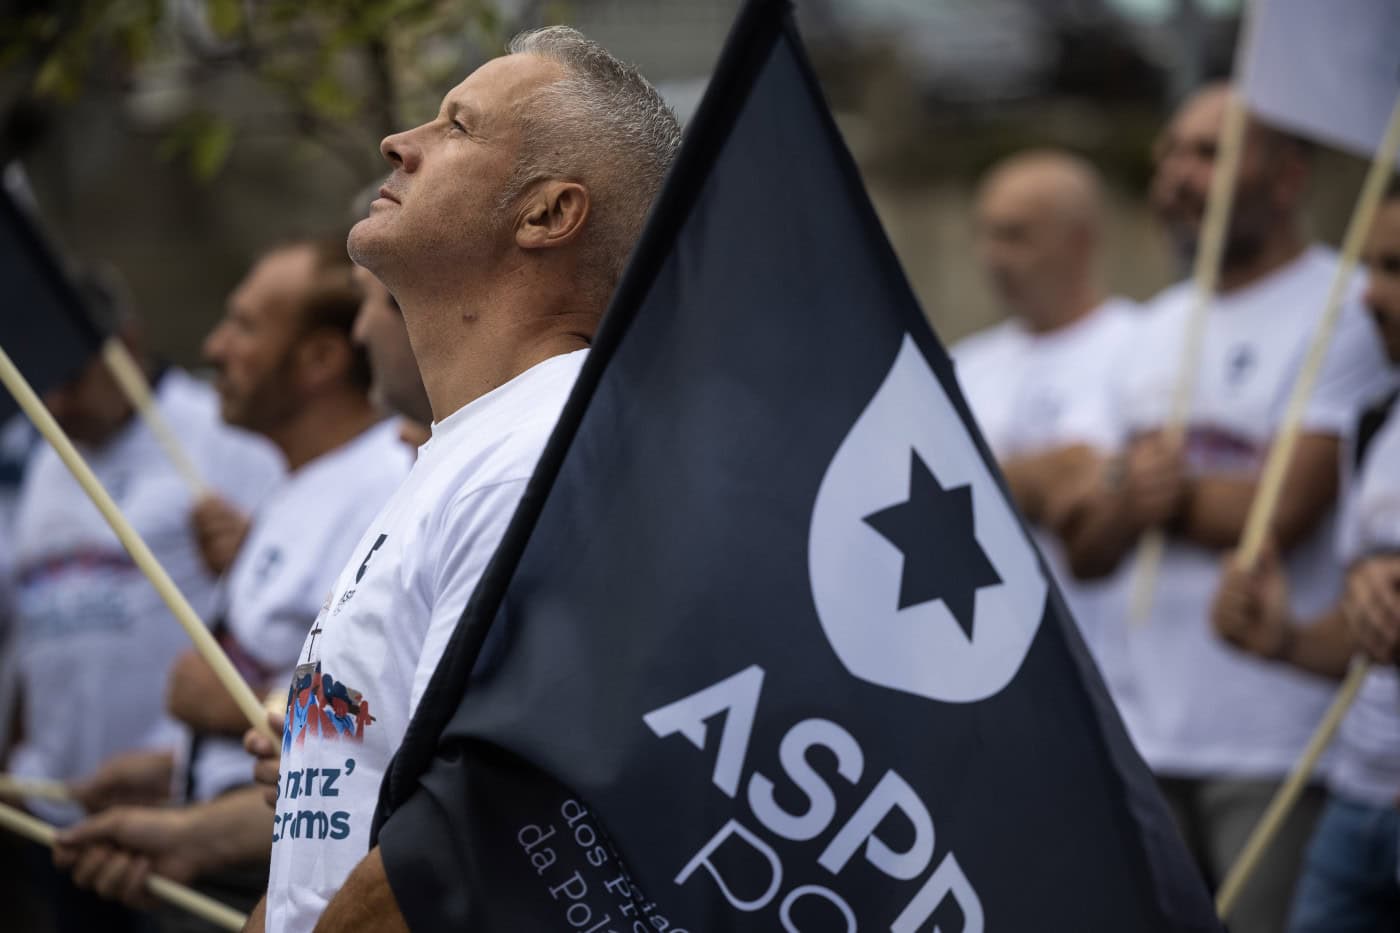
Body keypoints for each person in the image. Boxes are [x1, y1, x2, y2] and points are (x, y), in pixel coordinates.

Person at [231, 26, 679, 933]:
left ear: (549, 214)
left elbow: (481, 836)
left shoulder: (539, 455)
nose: (401, 143)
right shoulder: (472, 449)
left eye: (457, 127)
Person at [1063, 83, 1393, 933]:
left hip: (1278, 745)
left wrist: (1146, 495)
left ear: (1286, 180)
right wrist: (1122, 494)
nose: (1177, 175)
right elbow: (1084, 543)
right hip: (1144, 738)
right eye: (1169, 152)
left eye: (1208, 154)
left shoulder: (1348, 308)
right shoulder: (1152, 326)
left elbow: (1282, 515)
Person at [51, 246, 429, 922]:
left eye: (246, 326)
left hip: (295, 875)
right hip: (228, 852)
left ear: (319, 359)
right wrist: (174, 769)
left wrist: (237, 706)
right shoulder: (295, 485)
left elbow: (385, 727)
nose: (213, 346)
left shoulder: (384, 482)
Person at [5, 270, 283, 932]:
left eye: (70, 377)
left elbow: (286, 597)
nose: (56, 400)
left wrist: (247, 548)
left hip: (188, 815)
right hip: (56, 812)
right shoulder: (47, 454)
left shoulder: (223, 436)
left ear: (125, 347)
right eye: (41, 382)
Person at [1211, 183, 1400, 931]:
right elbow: (1368, 642)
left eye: (1394, 268)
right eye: (1369, 267)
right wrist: (1283, 635)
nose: (1368, 297)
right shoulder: (1379, 421)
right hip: (1357, 804)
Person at [952, 148, 1139, 659]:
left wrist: (978, 481)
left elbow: (1091, 499)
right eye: (985, 233)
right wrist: (1047, 472)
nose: (992, 255)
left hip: (1105, 667)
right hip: (989, 658)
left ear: (1079, 242)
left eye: (1015, 236)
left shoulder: (1141, 349)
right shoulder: (965, 365)